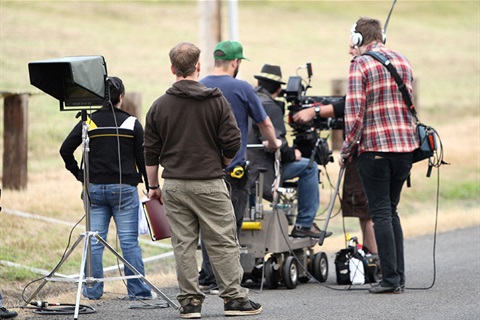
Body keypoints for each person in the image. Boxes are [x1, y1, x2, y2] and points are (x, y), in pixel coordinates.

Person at [144, 41, 262, 318]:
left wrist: (153, 187)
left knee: (183, 244)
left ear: (172, 68)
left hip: (173, 184)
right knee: (222, 241)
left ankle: (190, 303)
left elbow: (150, 150)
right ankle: (233, 299)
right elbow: (233, 141)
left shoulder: (159, 106)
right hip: (209, 181)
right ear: (198, 67)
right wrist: (221, 163)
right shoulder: (215, 100)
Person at [339, 17, 417, 294]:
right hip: (406, 148)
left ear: (359, 40)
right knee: (391, 211)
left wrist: (347, 149)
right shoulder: (402, 60)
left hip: (375, 149)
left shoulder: (360, 64)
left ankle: (390, 280)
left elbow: (354, 112)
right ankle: (399, 276)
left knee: (380, 212)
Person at [198, 40, 281, 292]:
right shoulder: (242, 88)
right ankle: (226, 281)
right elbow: (264, 123)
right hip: (234, 170)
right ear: (235, 63)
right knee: (230, 225)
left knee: (206, 224)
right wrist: (273, 142)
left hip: (203, 170)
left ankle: (207, 276)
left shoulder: (199, 86)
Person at [59, 77, 153, 300]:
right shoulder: (132, 123)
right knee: (129, 242)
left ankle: (92, 291)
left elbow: (65, 149)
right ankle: (138, 292)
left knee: (94, 240)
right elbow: (143, 158)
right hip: (124, 189)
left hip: (94, 189)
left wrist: (80, 175)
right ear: (121, 97)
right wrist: (150, 187)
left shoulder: (88, 122)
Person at [292, 41, 378, 256]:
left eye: (352, 45)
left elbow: (352, 105)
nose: (349, 51)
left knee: (369, 210)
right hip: (388, 150)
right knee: (375, 211)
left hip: (368, 150)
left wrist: (315, 111)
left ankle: (375, 260)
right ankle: (376, 258)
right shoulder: (392, 64)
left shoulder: (363, 65)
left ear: (362, 41)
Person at [248, 64, 332, 238]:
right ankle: (304, 224)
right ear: (279, 90)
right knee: (310, 167)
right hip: (264, 169)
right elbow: (275, 143)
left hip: (245, 166)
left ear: (258, 82)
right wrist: (292, 153)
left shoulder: (247, 100)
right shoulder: (270, 106)